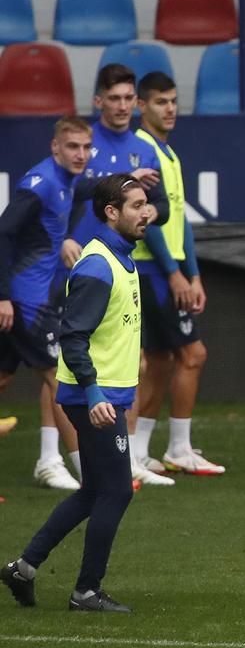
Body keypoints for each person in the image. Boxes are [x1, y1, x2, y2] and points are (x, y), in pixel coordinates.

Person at [2, 175, 154, 613]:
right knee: (119, 490)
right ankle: (86, 591)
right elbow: (73, 337)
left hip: (105, 396)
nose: (147, 213)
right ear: (111, 212)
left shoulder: (120, 256)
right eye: (137, 205)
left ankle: (24, 568)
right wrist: (93, 394)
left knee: (94, 491)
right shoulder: (98, 265)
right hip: (96, 399)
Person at [68, 65, 175, 488]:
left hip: (125, 266)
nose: (122, 106)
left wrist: (147, 203)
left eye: (129, 98)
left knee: (135, 361)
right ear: (99, 102)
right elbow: (67, 192)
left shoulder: (143, 147)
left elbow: (162, 209)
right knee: (60, 360)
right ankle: (65, 458)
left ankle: (120, 456)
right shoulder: (84, 145)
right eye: (114, 98)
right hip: (83, 264)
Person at [127, 73, 222, 477]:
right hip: (152, 270)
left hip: (171, 270)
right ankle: (178, 448)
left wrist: (193, 273)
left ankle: (139, 449)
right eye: (160, 102)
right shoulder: (143, 151)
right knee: (191, 355)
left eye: (173, 101)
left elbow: (177, 219)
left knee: (163, 361)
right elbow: (149, 223)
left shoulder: (167, 152)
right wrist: (175, 274)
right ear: (141, 106)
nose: (170, 109)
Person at [0, 117, 91, 491]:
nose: (81, 154)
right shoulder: (41, 184)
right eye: (73, 147)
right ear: (55, 147)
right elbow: (3, 232)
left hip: (27, 299)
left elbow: (86, 193)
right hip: (25, 302)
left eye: (86, 147)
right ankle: (89, 475)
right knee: (60, 377)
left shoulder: (68, 182)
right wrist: (3, 295)